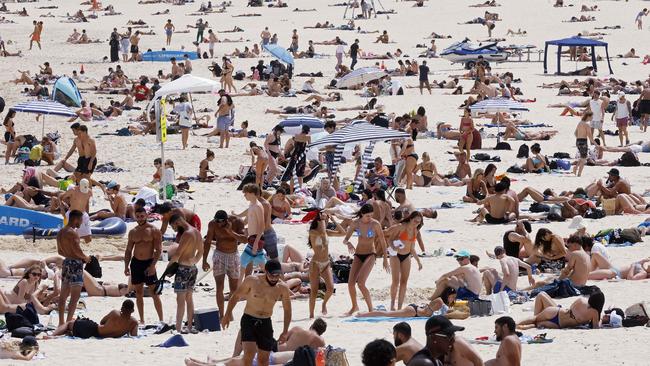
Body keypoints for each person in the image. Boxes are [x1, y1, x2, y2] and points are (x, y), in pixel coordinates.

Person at [221, 260, 292, 366]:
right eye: (272, 275)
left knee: (264, 360)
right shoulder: (252, 281)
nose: (274, 278)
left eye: (277, 276)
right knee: (249, 355)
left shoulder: (282, 288)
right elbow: (235, 296)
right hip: (249, 319)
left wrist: (285, 330)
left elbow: (287, 310)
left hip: (265, 322)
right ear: (266, 272)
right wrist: (227, 315)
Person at [342, 203, 389, 315]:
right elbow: (345, 239)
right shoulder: (355, 223)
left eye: (371, 215)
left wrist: (385, 259)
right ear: (362, 214)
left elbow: (383, 241)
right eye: (368, 216)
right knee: (350, 283)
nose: (370, 218)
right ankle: (354, 306)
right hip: (358, 254)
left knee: (361, 283)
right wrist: (348, 243)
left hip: (370, 254)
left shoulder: (375, 224)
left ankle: (370, 309)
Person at [202, 210, 247, 317]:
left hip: (233, 255)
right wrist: (204, 260)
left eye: (221, 222)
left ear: (226, 220)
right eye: (217, 221)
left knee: (233, 288)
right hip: (219, 255)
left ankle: (229, 312)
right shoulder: (213, 224)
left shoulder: (237, 222)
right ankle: (221, 314)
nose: (219, 224)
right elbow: (208, 241)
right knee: (219, 287)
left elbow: (245, 240)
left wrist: (231, 232)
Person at [124, 207, 163, 324]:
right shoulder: (133, 232)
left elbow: (158, 250)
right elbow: (128, 250)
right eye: (138, 216)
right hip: (136, 263)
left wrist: (152, 266)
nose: (140, 218)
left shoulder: (154, 230)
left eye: (142, 216)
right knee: (138, 292)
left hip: (148, 263)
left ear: (146, 216)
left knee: (154, 292)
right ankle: (142, 319)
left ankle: (161, 319)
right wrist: (126, 266)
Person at [168, 213, 204, 334]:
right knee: (189, 298)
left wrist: (168, 268)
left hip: (183, 269)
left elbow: (178, 254)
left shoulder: (186, 234)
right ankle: (189, 326)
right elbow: (201, 251)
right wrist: (194, 260)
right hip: (193, 269)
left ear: (177, 222)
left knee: (180, 300)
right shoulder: (196, 231)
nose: (175, 229)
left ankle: (178, 328)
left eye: (174, 227)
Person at [56, 210, 91, 326]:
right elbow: (77, 250)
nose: (81, 223)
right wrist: (85, 258)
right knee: (75, 296)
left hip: (66, 262)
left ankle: (61, 322)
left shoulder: (61, 232)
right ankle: (68, 321)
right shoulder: (73, 233)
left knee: (63, 294)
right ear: (76, 219)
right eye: (81, 220)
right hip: (75, 264)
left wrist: (69, 255)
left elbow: (60, 251)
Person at [307, 210, 345, 318]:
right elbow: (322, 234)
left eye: (327, 220)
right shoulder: (313, 232)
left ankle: (324, 304)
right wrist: (323, 219)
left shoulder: (326, 231)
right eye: (325, 220)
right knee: (314, 291)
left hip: (326, 263)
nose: (326, 221)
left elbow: (343, 233)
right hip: (315, 263)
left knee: (330, 287)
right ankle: (311, 315)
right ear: (319, 220)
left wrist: (334, 220)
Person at [383, 211, 424, 310]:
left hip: (407, 255)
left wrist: (418, 261)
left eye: (419, 222)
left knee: (404, 282)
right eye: (415, 221)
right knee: (395, 281)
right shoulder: (401, 227)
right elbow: (388, 237)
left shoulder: (415, 230)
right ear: (410, 218)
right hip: (395, 255)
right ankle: (392, 305)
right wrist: (393, 246)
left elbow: (412, 248)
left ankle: (400, 307)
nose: (416, 223)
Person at [407, 316, 481, 366]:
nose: (453, 341)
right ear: (433, 338)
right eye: (449, 336)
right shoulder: (424, 363)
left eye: (453, 335)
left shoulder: (436, 360)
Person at [50, 300, 138, 338]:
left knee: (69, 323)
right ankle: (67, 333)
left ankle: (52, 336)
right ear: (133, 310)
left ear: (122, 308)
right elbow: (134, 335)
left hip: (94, 330)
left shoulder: (115, 313)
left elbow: (102, 321)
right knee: (72, 328)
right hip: (99, 335)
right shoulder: (134, 322)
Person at [517, 291, 604, 329]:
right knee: (538, 323)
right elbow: (596, 327)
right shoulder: (595, 312)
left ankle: (515, 324)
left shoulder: (581, 300)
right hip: (558, 325)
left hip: (557, 312)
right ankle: (527, 326)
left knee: (535, 318)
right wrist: (601, 319)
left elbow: (571, 308)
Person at [573, 111, 595, 177]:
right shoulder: (586, 124)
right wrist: (595, 144)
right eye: (592, 116)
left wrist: (579, 137)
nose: (592, 118)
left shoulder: (580, 123)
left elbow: (575, 133)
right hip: (583, 141)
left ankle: (575, 168)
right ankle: (579, 173)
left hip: (578, 141)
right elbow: (590, 136)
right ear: (588, 116)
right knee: (583, 159)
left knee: (582, 157)